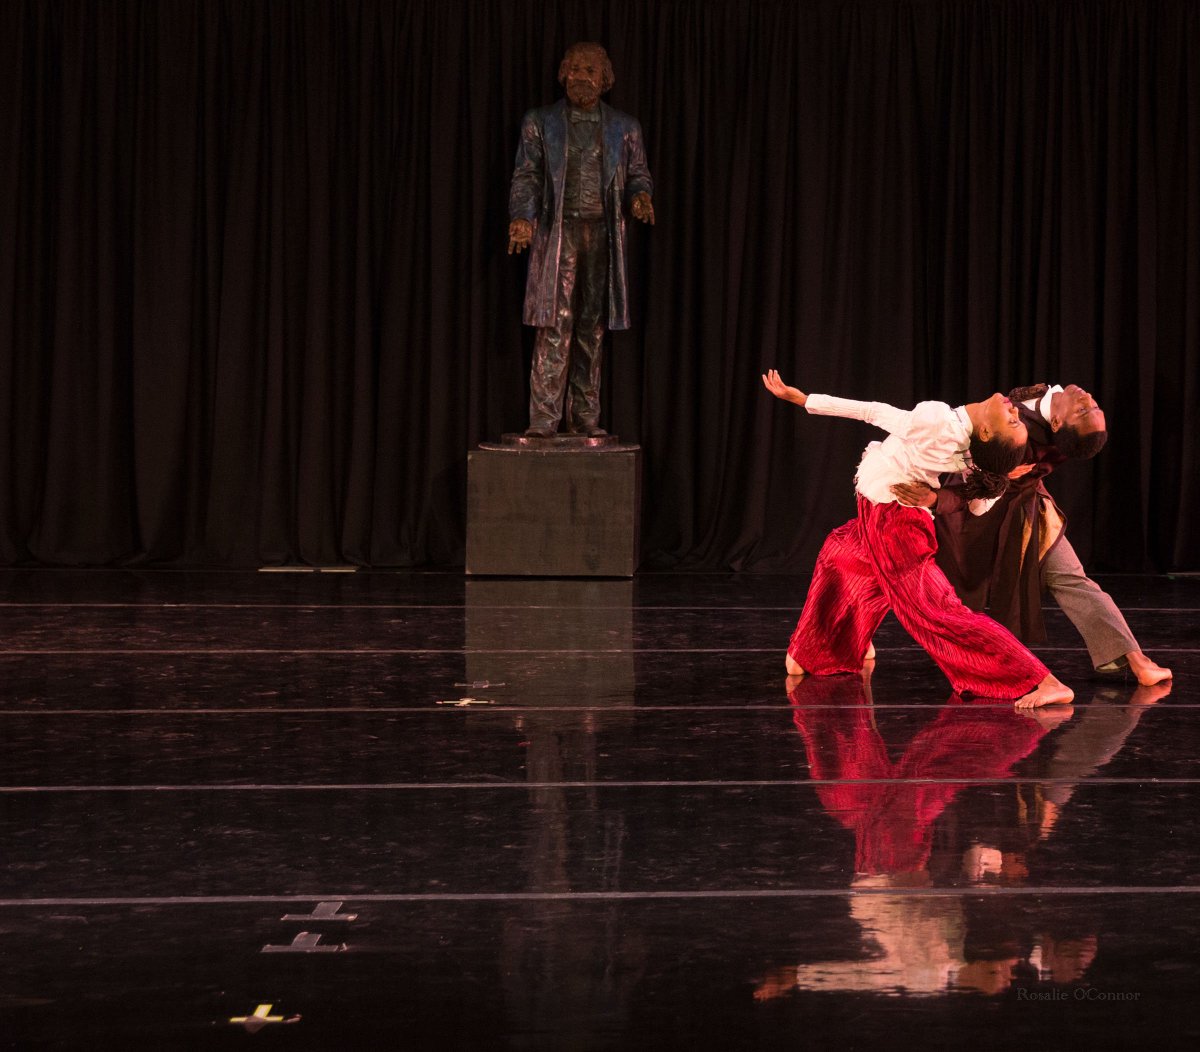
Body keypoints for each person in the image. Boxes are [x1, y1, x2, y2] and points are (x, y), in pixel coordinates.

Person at [761, 369, 1073, 708]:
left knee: (939, 613)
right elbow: (981, 507)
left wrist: (805, 400)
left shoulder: (937, 420)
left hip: (895, 525)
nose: (1015, 411)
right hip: (881, 512)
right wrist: (997, 477)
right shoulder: (966, 443)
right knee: (840, 555)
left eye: (1012, 422)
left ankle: (1042, 680)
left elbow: (873, 411)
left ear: (986, 431)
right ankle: (833, 645)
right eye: (1016, 419)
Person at [891, 383, 1171, 686]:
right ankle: (1131, 658)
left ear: (1056, 424)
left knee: (1068, 578)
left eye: (1083, 409)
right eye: (1093, 407)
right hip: (1006, 507)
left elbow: (975, 488)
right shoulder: (1046, 400)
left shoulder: (1027, 448)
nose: (1088, 398)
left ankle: (1133, 658)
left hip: (1005, 515)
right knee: (911, 571)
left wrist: (935, 500)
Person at [508, 42, 654, 438]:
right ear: (562, 73)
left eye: (590, 70)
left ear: (604, 79)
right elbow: (527, 175)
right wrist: (522, 217)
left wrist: (640, 196)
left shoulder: (625, 127)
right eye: (573, 69)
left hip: (603, 235)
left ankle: (585, 415)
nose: (580, 77)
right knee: (554, 323)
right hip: (559, 233)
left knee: (592, 326)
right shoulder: (540, 122)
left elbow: (638, 173)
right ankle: (543, 417)